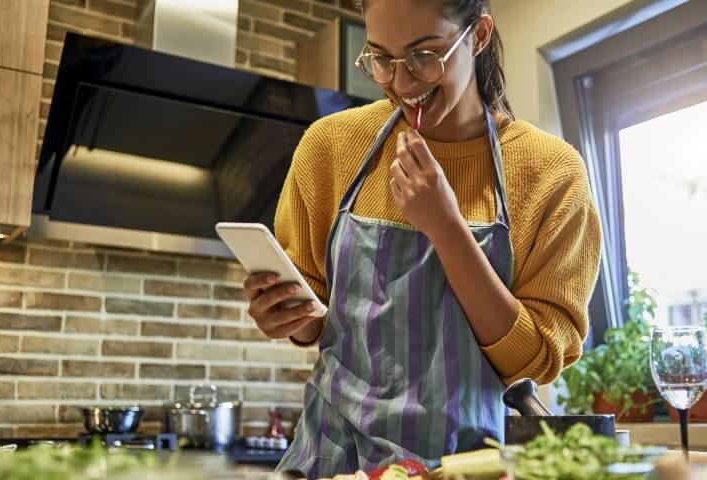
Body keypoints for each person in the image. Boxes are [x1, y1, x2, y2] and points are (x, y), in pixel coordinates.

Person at [242, 0, 602, 477]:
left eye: (424, 55)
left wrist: (447, 228)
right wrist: (286, 316)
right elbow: (315, 324)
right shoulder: (329, 147)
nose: (402, 82)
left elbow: (529, 363)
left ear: (478, 35)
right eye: (380, 59)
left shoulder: (551, 172)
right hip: (332, 461)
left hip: (467, 466)